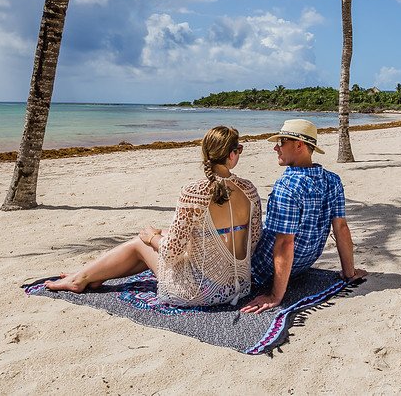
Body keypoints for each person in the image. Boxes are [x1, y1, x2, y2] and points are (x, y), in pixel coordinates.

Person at [45, 126, 262, 307]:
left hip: (202, 292)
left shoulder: (195, 192)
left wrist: (151, 238)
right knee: (166, 234)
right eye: (239, 149)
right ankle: (93, 276)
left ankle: (80, 278)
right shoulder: (248, 190)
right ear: (232, 155)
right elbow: (253, 241)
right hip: (239, 286)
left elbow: (170, 253)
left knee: (140, 243)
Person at [242, 119, 366, 314]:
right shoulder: (332, 180)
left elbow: (285, 243)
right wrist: (349, 273)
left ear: (299, 145)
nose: (276, 147)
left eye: (282, 142)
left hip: (261, 270)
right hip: (302, 264)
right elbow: (341, 228)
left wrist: (275, 296)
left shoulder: (287, 186)